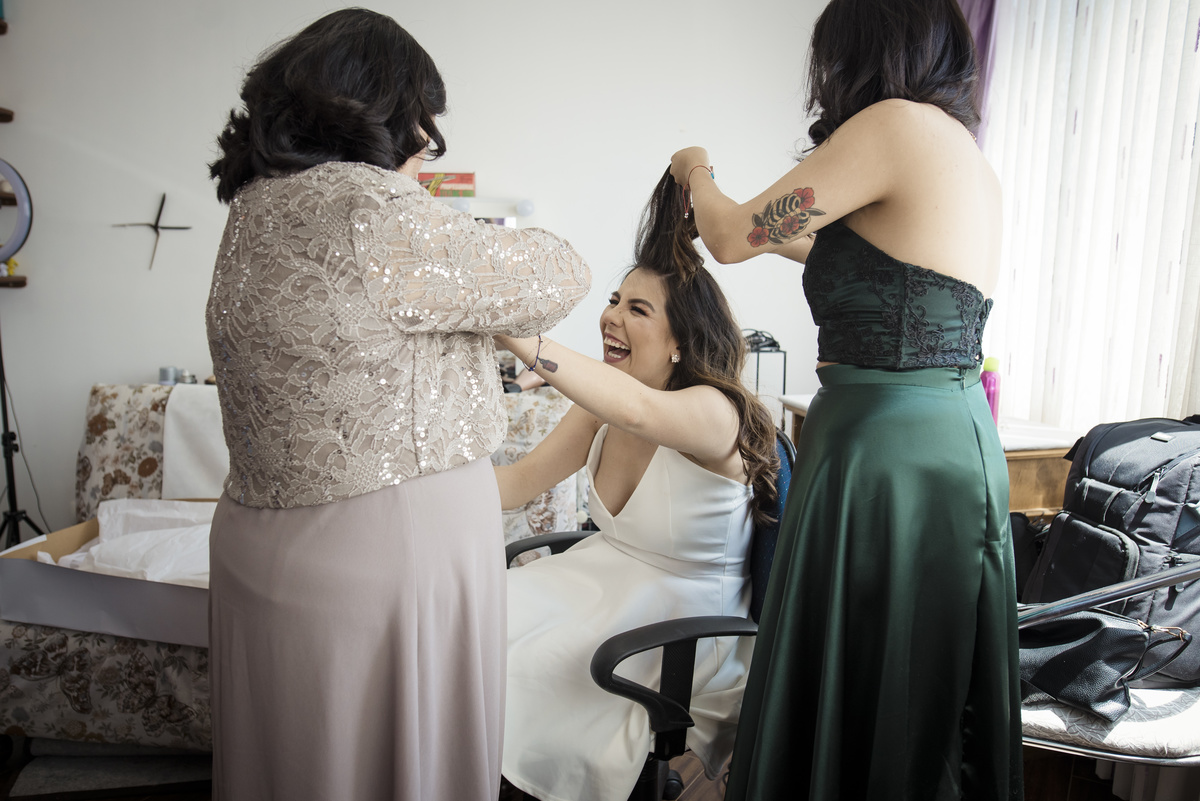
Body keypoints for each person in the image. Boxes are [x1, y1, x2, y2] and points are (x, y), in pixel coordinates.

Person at [204, 9, 590, 800]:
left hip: (254, 538)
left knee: (295, 762)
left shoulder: (252, 210)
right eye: (424, 118)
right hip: (383, 542)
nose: (427, 141)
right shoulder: (371, 210)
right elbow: (562, 272)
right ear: (386, 107)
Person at [669, 0, 1022, 798]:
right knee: (914, 691)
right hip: (942, 440)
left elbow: (731, 234)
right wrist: (748, 226)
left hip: (886, 454)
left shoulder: (894, 124)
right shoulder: (957, 152)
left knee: (878, 681)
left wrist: (696, 168)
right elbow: (856, 260)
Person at [494, 168, 780, 801]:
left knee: (518, 671)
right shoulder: (604, 403)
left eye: (637, 309)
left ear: (681, 340)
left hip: (680, 621)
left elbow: (642, 413)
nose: (611, 318)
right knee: (470, 627)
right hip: (597, 580)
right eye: (613, 301)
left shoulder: (714, 411)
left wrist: (503, 321)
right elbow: (515, 483)